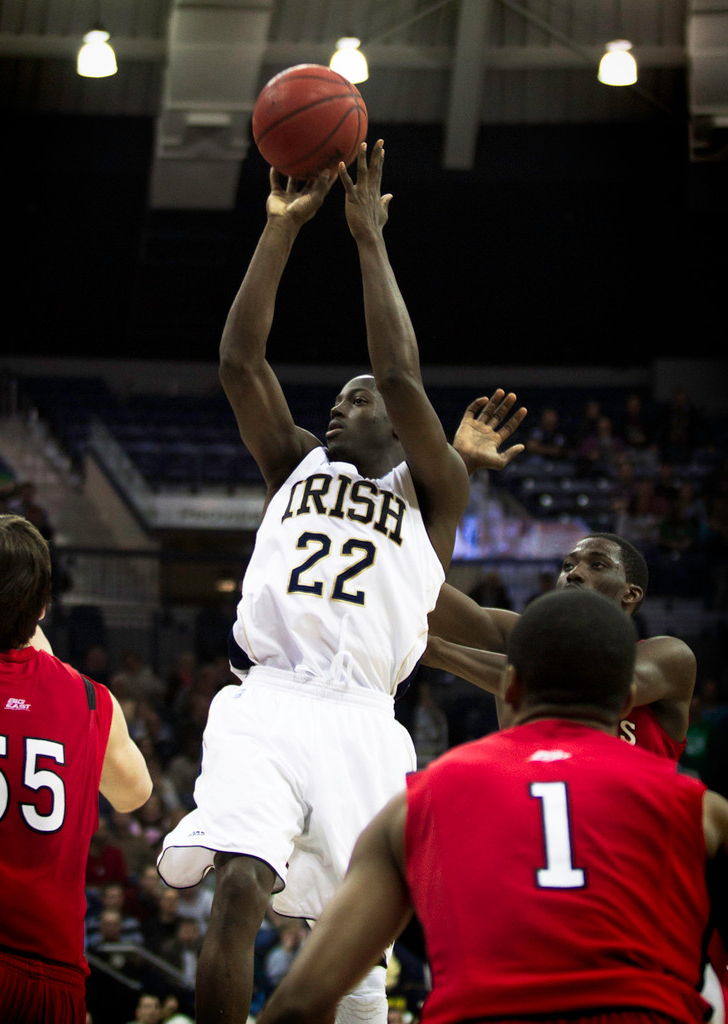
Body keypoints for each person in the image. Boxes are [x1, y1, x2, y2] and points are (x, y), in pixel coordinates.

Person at [156, 140, 526, 1024]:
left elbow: (400, 375)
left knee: (352, 939)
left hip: (364, 717)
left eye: (358, 400)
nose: (342, 403)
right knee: (239, 885)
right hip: (270, 697)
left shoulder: (433, 489)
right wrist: (280, 230)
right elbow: (241, 365)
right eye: (342, 398)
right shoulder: (293, 463)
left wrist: (368, 239)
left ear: (400, 432)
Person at [258, 589, 728, 1024]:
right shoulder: (703, 812)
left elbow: (301, 1002)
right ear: (627, 699)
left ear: (510, 687)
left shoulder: (421, 802)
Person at [0, 513, 153, 1024]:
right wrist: (48, 664)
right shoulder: (89, 698)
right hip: (51, 972)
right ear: (40, 607)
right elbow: (135, 794)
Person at [425, 531, 696, 759]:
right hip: (542, 816)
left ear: (631, 592)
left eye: (597, 565)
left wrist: (438, 652)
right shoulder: (525, 637)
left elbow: (593, 684)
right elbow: (425, 599)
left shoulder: (670, 656)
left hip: (631, 819)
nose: (574, 573)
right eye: (567, 566)